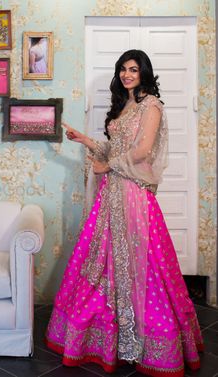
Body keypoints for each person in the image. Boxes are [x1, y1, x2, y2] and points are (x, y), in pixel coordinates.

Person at [45, 49, 203, 377]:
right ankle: (108, 340)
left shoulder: (151, 106)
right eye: (122, 70)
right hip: (111, 194)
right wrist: (86, 140)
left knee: (143, 264)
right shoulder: (126, 105)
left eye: (133, 69)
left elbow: (142, 152)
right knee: (100, 264)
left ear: (144, 72)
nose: (127, 74)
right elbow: (115, 151)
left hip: (134, 196)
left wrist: (108, 165)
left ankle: (145, 343)